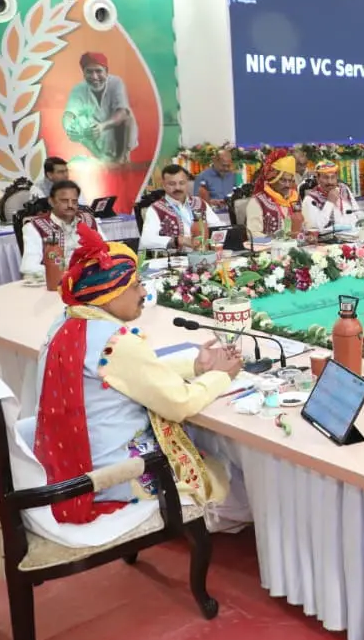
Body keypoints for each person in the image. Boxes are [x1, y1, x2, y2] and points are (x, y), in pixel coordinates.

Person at [27, 224, 240, 524]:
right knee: (228, 476)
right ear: (109, 294)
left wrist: (196, 366)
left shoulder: (67, 322)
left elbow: (129, 375)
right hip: (114, 478)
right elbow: (179, 403)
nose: (144, 292)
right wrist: (222, 376)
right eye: (136, 285)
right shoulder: (116, 341)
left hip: (73, 467)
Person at [62, 52, 136, 162]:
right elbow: (69, 114)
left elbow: (122, 113)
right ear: (83, 73)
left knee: (126, 117)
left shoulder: (116, 83)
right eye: (89, 72)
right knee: (79, 121)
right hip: (95, 138)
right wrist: (69, 128)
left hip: (116, 136)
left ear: (106, 71)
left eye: (98, 71)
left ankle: (121, 158)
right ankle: (101, 157)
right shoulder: (78, 89)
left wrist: (102, 126)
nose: (94, 77)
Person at [21, 180, 103, 275]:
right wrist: (65, 267)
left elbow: (107, 248)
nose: (70, 205)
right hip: (58, 279)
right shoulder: (35, 227)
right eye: (64, 201)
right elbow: (28, 266)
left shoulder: (88, 220)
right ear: (51, 202)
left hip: (93, 276)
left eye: (74, 201)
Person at [140, 164, 223, 251]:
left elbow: (218, 227)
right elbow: (146, 241)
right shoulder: (156, 209)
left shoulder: (200, 203)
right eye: (172, 184)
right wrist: (179, 240)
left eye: (181, 183)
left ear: (187, 182)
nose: (177, 187)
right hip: (174, 258)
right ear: (163, 185)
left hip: (204, 254)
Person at [246, 151, 300, 238]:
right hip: (269, 246)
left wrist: (307, 236)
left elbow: (304, 226)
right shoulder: (258, 201)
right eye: (283, 180)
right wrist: (276, 239)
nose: (287, 185)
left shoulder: (294, 198)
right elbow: (252, 234)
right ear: (272, 179)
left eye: (290, 180)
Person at [302, 161, 359, 233]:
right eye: (326, 178)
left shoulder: (344, 189)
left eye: (333, 177)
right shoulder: (310, 199)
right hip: (328, 239)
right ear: (318, 179)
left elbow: (357, 212)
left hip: (353, 235)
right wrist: (329, 202)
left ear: (337, 177)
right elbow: (315, 227)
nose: (330, 182)